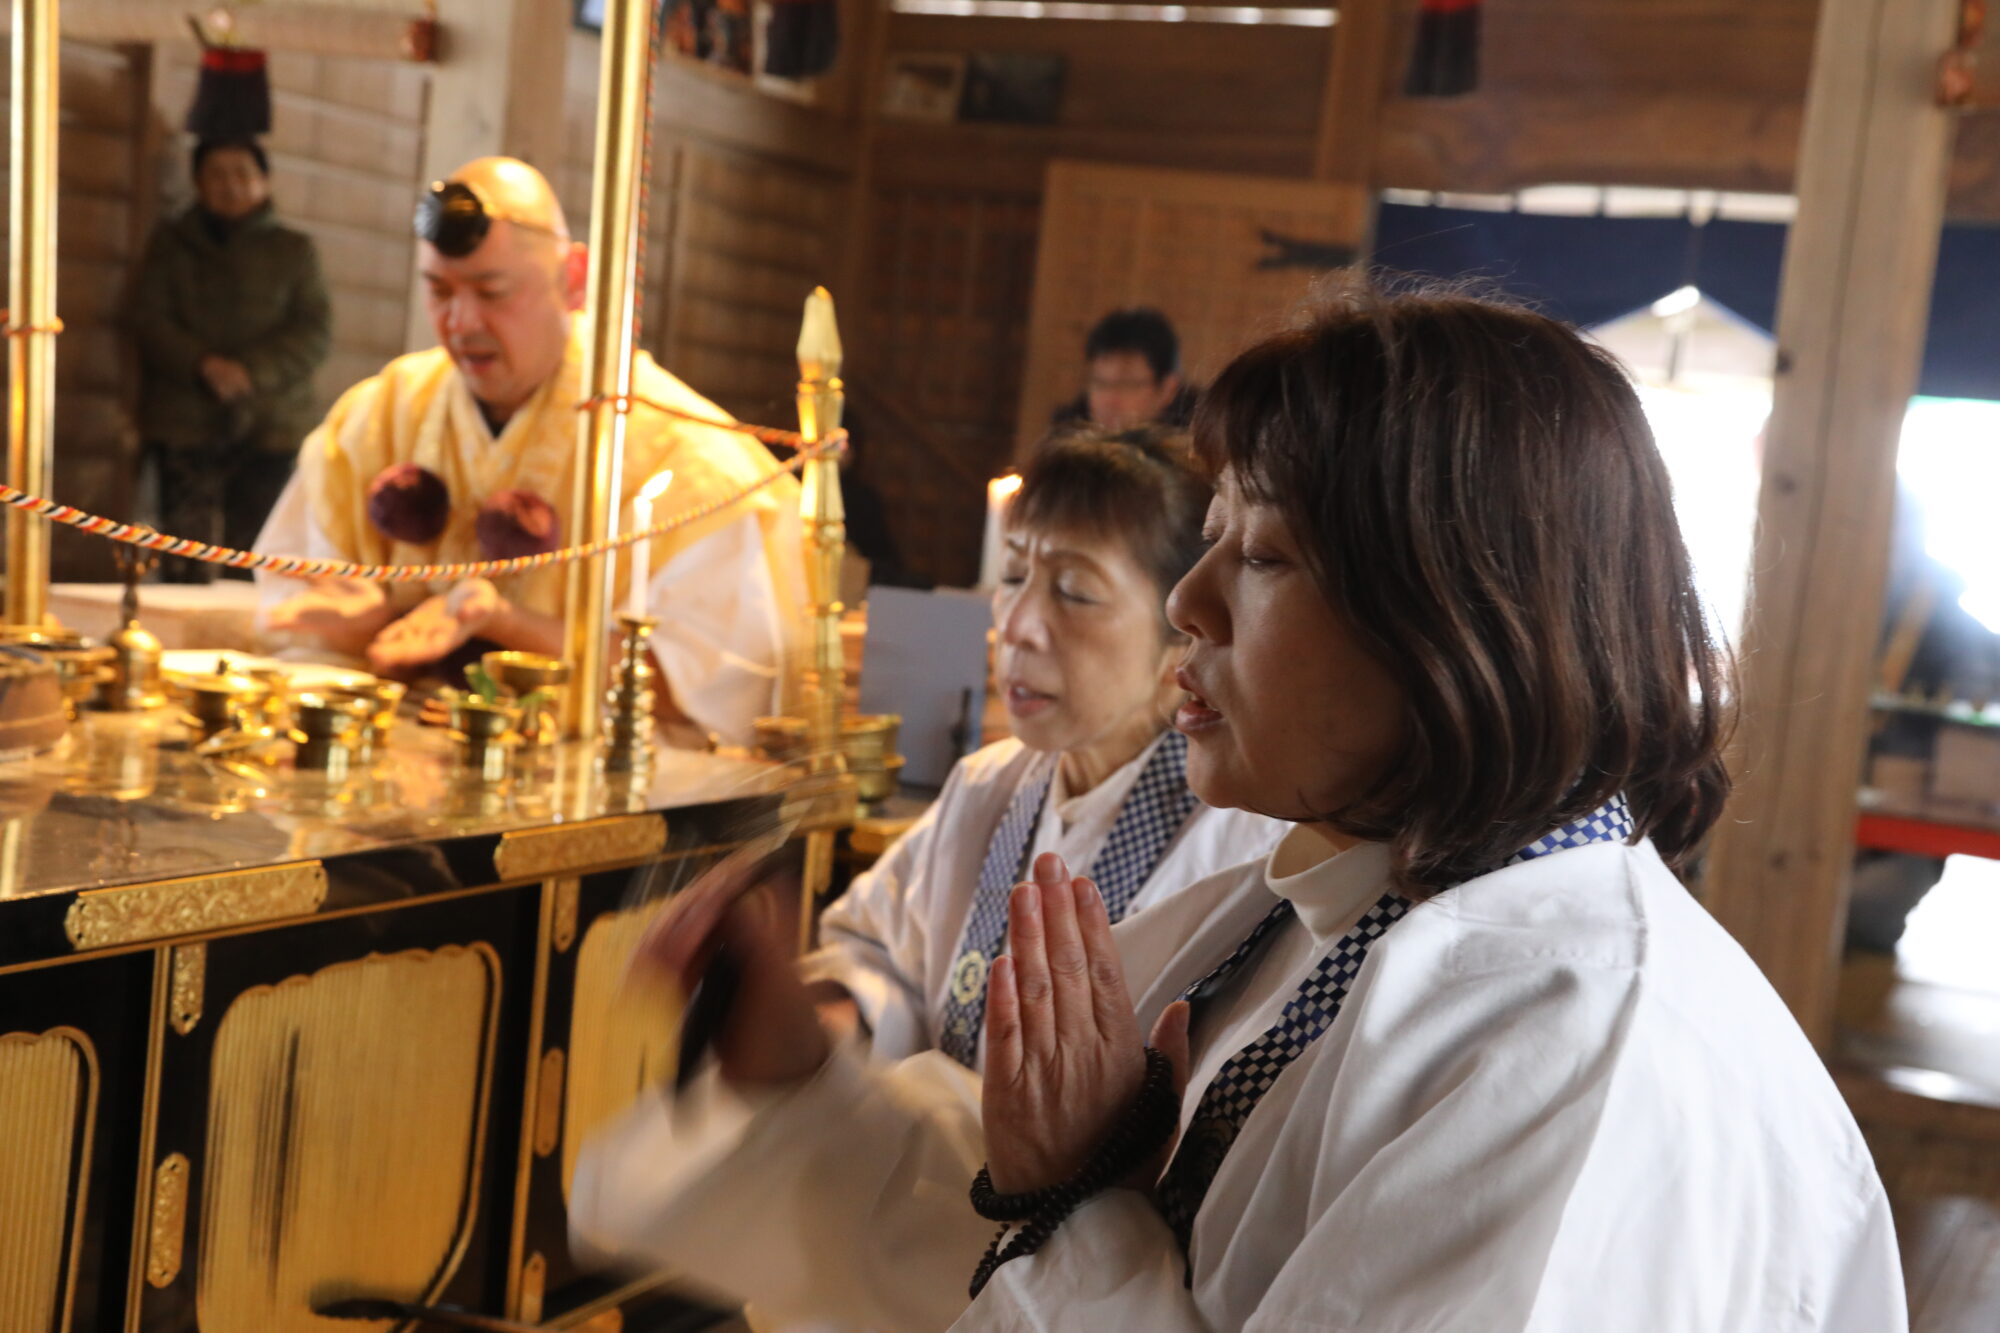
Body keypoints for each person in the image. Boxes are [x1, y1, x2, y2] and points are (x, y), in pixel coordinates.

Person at [570, 285, 1904, 1333]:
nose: (1193, 608)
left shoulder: (1578, 1050)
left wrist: (1064, 1194)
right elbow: (1022, 1224)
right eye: (1206, 540)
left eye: (1259, 554)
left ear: (1451, 619)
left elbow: (1066, 1225)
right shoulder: (1313, 905)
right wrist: (802, 1077)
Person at [254, 157, 805, 745]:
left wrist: (507, 621)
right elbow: (292, 602)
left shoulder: (683, 455)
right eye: (438, 291)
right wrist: (360, 620)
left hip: (575, 769)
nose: (461, 322)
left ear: (572, 278)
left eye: (492, 292)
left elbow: (705, 689)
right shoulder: (381, 414)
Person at [803, 426, 1283, 1064]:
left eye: (1074, 592)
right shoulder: (990, 785)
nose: (1016, 626)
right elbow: (882, 954)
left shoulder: (1243, 840)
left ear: (1181, 633)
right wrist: (826, 1020)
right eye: (1012, 575)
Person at [127, 137, 331, 582]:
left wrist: (251, 372)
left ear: (264, 180)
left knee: (260, 552)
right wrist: (203, 365)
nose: (230, 185)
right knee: (182, 551)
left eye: (241, 173)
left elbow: (314, 332)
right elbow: (148, 317)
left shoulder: (294, 250)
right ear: (198, 182)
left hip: (271, 422)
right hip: (184, 417)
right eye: (216, 174)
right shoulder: (172, 242)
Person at [1050, 308, 1197, 433]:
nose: (1109, 400)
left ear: (1168, 389)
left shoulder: (1191, 455)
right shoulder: (1065, 444)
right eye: (1100, 383)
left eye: (1127, 384)